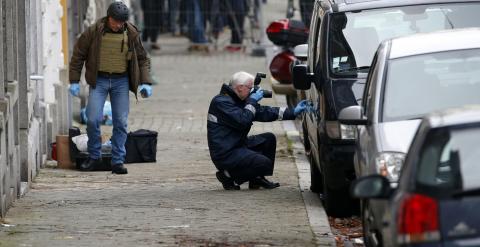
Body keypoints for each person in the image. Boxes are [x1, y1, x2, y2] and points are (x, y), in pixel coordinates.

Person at [69, 2, 153, 174]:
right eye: (115, 21)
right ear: (109, 18)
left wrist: (146, 82)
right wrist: (74, 80)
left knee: (120, 122)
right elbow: (78, 55)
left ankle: (117, 161)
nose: (118, 25)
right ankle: (94, 156)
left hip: (120, 81)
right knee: (92, 119)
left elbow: (143, 58)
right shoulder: (94, 31)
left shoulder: (131, 33)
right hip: (99, 80)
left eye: (121, 22)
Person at [207, 71, 308, 190]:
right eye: (250, 88)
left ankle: (256, 179)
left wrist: (293, 112)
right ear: (240, 87)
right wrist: (252, 101)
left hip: (237, 144)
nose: (252, 92)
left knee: (268, 139)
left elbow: (264, 112)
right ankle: (228, 176)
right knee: (263, 163)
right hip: (225, 153)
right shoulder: (221, 102)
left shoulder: (238, 99)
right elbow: (242, 121)